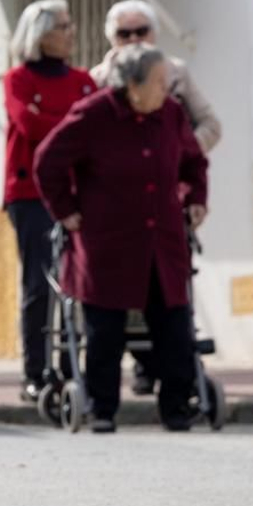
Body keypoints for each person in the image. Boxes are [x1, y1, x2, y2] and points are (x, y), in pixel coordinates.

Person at [32, 44, 208, 433]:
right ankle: (103, 409)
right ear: (133, 85)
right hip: (106, 243)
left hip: (162, 241)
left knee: (175, 327)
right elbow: (47, 161)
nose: (168, 87)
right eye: (161, 81)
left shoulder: (171, 114)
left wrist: (196, 198)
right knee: (104, 332)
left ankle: (178, 407)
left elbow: (194, 161)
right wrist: (65, 209)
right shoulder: (94, 115)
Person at [90, 0, 223, 397]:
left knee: (168, 288)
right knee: (120, 292)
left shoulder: (176, 74)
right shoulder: (98, 79)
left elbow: (211, 125)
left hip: (166, 199)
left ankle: (175, 376)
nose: (133, 39)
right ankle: (138, 367)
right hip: (118, 206)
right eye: (123, 33)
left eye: (140, 31)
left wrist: (175, 154)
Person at [3, 0, 96, 401]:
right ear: (41, 34)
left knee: (79, 282)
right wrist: (74, 127)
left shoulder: (83, 80)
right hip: (29, 192)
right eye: (64, 25)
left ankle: (73, 365)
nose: (71, 31)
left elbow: (92, 126)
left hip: (78, 192)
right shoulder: (17, 79)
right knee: (40, 283)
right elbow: (28, 123)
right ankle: (36, 371)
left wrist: (63, 126)